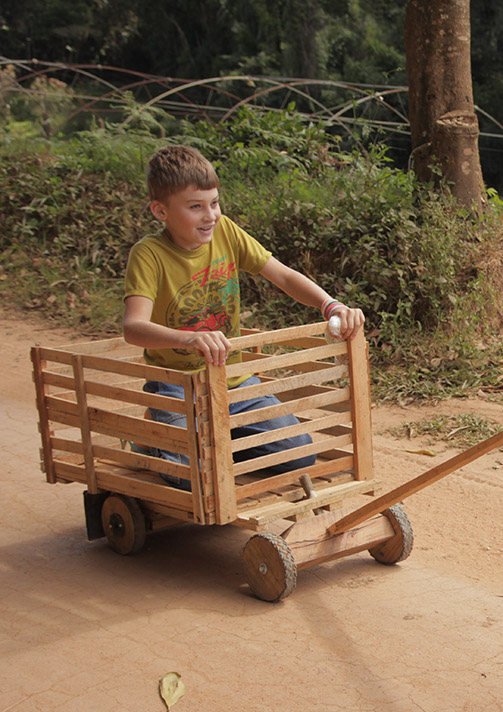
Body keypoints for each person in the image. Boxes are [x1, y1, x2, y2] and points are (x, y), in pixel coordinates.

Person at [122, 144, 365, 489]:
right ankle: (154, 437)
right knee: (192, 482)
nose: (210, 216)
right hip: (176, 386)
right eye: (195, 207)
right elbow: (134, 328)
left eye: (214, 203)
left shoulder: (225, 232)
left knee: (299, 456)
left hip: (234, 379)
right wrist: (188, 338)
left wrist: (331, 305)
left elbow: (282, 275)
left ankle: (215, 441)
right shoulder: (149, 254)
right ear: (160, 210)